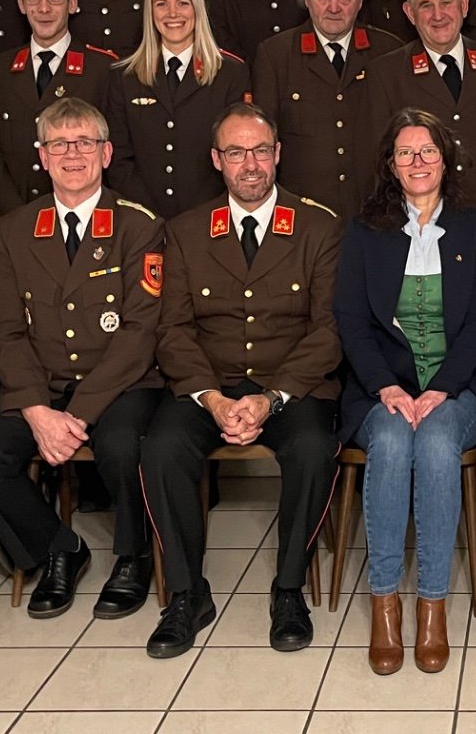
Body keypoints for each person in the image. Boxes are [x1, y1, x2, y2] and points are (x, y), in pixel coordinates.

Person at [0, 97, 165, 621]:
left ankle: (134, 557)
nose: (72, 154)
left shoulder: (139, 226)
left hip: (120, 384)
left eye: (84, 142)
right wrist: (36, 410)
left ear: (106, 153)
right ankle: (57, 548)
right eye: (59, 144)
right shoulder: (15, 229)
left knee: (122, 446)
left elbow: (139, 333)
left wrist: (78, 414)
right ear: (41, 156)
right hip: (40, 384)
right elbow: (5, 328)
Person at [141, 103, 342, 657]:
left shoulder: (318, 226)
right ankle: (186, 594)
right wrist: (210, 398)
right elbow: (172, 329)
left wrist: (271, 397)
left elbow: (329, 330)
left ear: (278, 154)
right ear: (216, 160)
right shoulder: (185, 231)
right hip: (209, 383)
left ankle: (289, 590)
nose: (249, 164)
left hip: (290, 383)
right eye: (236, 152)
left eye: (260, 151)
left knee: (313, 448)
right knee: (160, 448)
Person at [334, 108, 476, 675]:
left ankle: (432, 605)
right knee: (390, 441)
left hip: (459, 389)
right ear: (390, 164)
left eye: (428, 150)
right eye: (405, 152)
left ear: (445, 159)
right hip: (380, 389)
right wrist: (384, 385)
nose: (418, 161)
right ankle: (385, 604)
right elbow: (352, 322)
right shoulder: (364, 232)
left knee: (433, 441)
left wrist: (444, 388)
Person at [252, 0, 402, 220]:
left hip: (378, 214)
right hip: (303, 220)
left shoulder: (388, 52)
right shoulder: (275, 56)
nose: (334, 8)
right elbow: (264, 146)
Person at [365, 0, 476, 223]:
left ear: (464, 4)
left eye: (446, 2)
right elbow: (379, 165)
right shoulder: (387, 74)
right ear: (410, 13)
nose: (438, 15)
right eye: (426, 5)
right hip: (420, 227)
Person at [102, 0, 251, 222]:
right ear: (150, 11)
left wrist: (196, 217)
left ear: (198, 8)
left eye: (183, 3)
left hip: (209, 218)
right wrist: (148, 215)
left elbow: (234, 153)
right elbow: (119, 159)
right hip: (141, 220)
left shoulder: (231, 74)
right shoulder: (124, 77)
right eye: (161, 4)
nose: (172, 13)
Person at [0, 0, 117, 213]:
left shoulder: (103, 69)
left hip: (83, 214)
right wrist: (17, 214)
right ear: (21, 4)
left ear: (71, 4)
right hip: (13, 214)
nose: (44, 8)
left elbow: (112, 152)